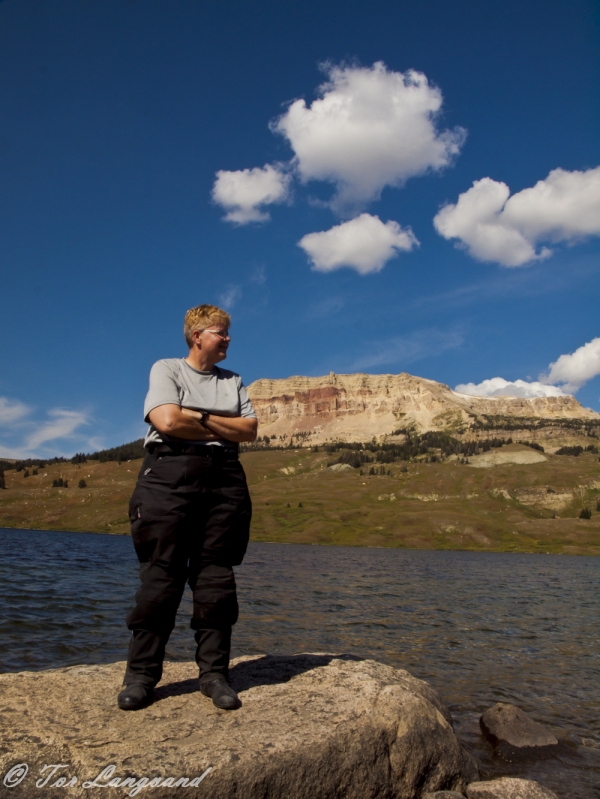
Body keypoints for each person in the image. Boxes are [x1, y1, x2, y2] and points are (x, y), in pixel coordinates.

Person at [118, 304, 258, 711]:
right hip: (169, 475)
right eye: (221, 332)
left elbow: (249, 431)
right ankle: (141, 676)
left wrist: (195, 415)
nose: (228, 339)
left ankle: (214, 675)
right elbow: (166, 421)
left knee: (216, 580)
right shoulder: (167, 369)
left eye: (228, 333)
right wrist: (218, 423)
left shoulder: (233, 380)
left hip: (225, 480)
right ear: (197, 335)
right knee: (160, 578)